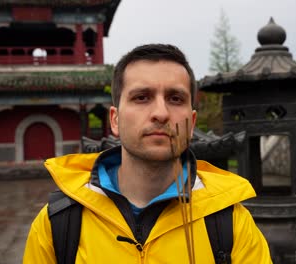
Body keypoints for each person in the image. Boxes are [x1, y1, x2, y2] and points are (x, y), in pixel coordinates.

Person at [23, 44, 271, 263]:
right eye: (142, 97)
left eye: (175, 98)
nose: (161, 113)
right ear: (115, 119)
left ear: (192, 122)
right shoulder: (58, 224)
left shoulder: (231, 223)